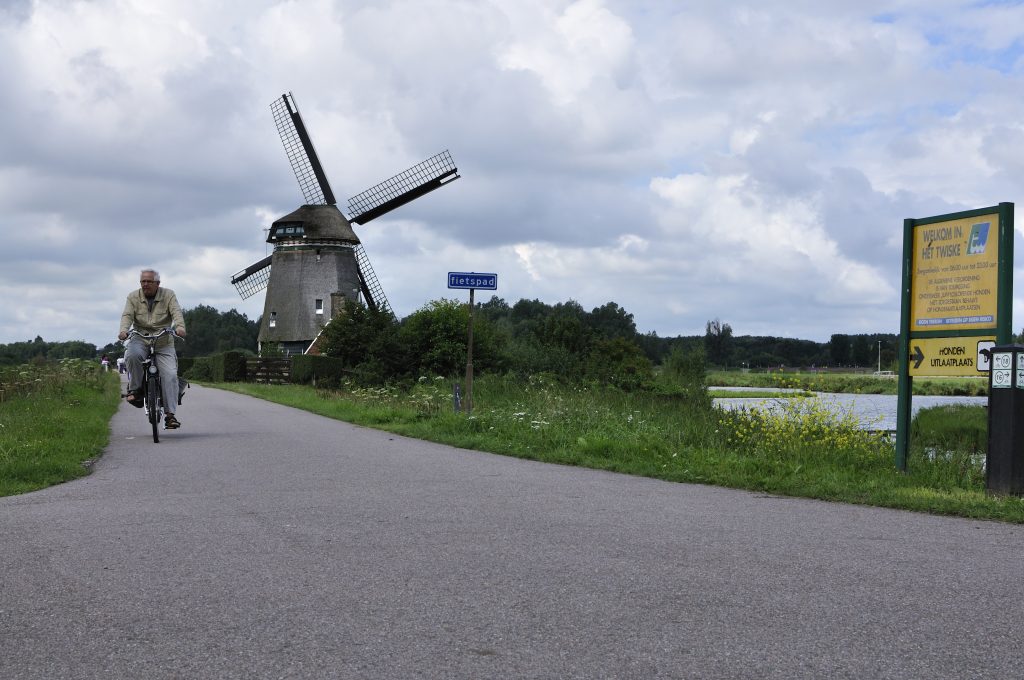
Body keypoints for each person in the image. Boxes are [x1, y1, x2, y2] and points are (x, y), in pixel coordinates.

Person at [118, 269, 187, 429]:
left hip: (163, 341)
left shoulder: (168, 295)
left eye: (149, 281)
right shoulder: (133, 296)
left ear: (158, 283)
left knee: (170, 375)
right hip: (140, 338)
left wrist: (180, 328)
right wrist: (124, 330)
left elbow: (176, 312)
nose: (145, 284)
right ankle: (135, 390)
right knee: (132, 355)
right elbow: (127, 315)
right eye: (143, 281)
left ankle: (170, 416)